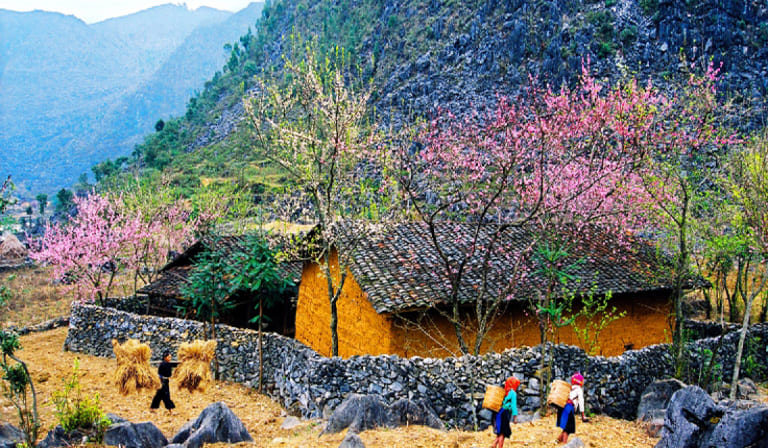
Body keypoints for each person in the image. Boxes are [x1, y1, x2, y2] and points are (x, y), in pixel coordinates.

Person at [556, 372, 588, 444]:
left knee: (566, 426)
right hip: (568, 408)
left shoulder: (569, 388)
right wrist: (583, 415)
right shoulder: (579, 390)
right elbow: (581, 402)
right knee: (568, 428)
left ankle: (557, 440)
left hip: (562, 407)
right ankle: (565, 444)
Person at [492, 376, 520, 448]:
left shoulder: (504, 391)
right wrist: (515, 417)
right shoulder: (513, 393)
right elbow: (513, 406)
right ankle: (496, 445)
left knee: (500, 431)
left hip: (498, 412)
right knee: (503, 432)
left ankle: (494, 444)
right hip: (504, 413)